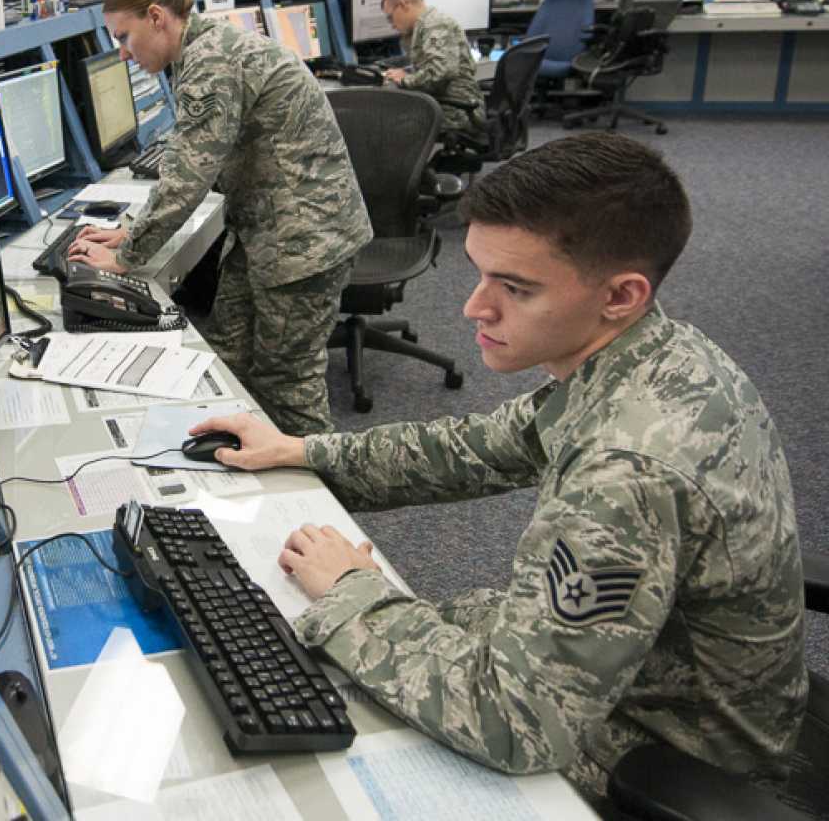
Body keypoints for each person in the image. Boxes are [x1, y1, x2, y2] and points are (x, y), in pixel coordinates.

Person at [189, 132, 806, 803]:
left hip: (668, 745)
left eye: (514, 287)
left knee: (323, 732)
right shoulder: (651, 354)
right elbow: (481, 445)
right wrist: (301, 450)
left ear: (620, 295)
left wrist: (350, 593)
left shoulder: (626, 470)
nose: (474, 308)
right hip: (644, 668)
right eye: (480, 273)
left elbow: (516, 723)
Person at [68, 0, 371, 435]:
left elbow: (189, 174)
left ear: (156, 17)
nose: (124, 54)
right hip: (268, 231)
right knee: (228, 363)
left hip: (303, 242)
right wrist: (132, 230)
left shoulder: (210, 61)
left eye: (124, 37)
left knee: (287, 387)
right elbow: (192, 155)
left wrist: (126, 257)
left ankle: (318, 495)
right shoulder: (205, 49)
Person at [379, 0, 487, 140]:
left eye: (390, 17)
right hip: (450, 103)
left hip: (458, 110)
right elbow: (433, 65)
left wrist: (405, 80)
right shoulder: (426, 25)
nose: (392, 25)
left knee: (381, 120)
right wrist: (406, 72)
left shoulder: (434, 25)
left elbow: (441, 73)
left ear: (403, 5)